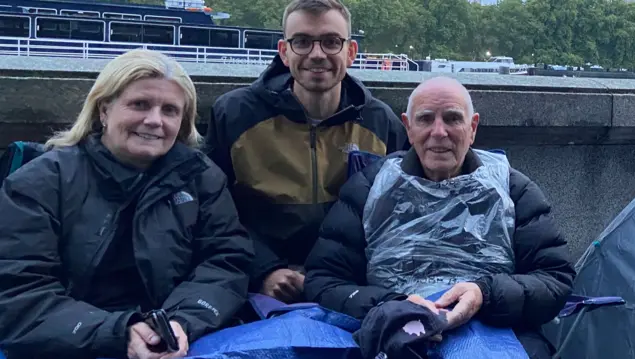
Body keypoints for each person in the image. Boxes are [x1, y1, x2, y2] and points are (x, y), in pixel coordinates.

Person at [0, 49, 254, 359]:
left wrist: (178, 323)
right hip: (71, 342)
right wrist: (121, 332)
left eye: (170, 110)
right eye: (140, 105)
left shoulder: (201, 178)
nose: (154, 120)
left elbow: (226, 260)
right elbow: (18, 292)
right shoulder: (40, 182)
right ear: (103, 110)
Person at [304, 76, 576, 358]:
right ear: (408, 128)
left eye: (452, 119)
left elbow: (554, 278)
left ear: (472, 128)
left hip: (497, 329)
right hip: (392, 329)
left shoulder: (513, 190)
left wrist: (485, 294)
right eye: (425, 119)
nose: (439, 132)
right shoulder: (368, 189)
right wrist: (392, 304)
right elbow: (324, 280)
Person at [206, 0, 408, 303]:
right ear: (284, 52)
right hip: (257, 284)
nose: (317, 54)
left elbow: (398, 215)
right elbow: (213, 211)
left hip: (347, 284)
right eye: (302, 41)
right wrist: (263, 270)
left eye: (330, 42)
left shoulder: (381, 123)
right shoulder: (234, 115)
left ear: (350, 52)